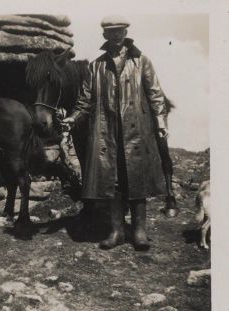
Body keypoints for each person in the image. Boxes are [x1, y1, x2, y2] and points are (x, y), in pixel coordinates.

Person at [62, 15, 168, 251]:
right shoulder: (96, 66)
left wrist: (160, 121)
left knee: (136, 178)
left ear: (126, 33)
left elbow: (155, 94)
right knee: (113, 179)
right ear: (105, 36)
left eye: (119, 31)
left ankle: (140, 231)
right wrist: (72, 118)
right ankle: (117, 230)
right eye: (111, 32)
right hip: (106, 132)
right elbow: (84, 100)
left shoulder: (142, 61)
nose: (116, 36)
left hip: (136, 130)